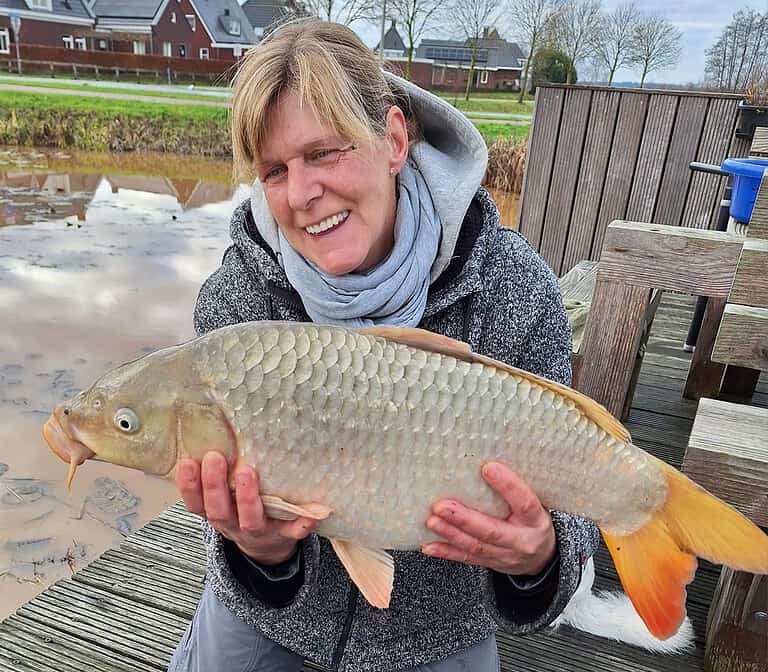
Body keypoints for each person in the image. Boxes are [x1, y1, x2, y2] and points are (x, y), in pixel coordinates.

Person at [168, 17, 599, 672]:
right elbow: (225, 513)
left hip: (439, 632)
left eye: (324, 153)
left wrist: (539, 558)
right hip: (273, 616)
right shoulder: (237, 305)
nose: (303, 194)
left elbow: (575, 502)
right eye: (275, 170)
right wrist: (259, 553)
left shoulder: (515, 287)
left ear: (394, 139)